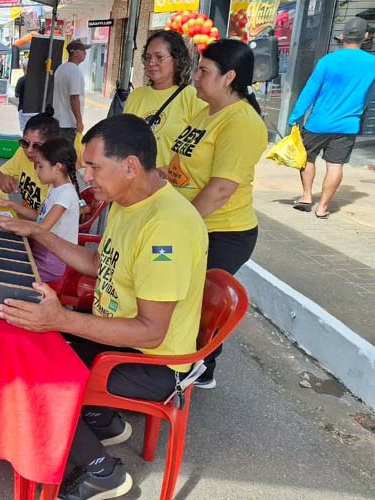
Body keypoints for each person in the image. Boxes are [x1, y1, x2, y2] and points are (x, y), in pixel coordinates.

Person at [0, 114, 208, 500]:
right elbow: (97, 264)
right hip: (119, 335)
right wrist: (39, 231)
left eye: (93, 167)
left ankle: (101, 471)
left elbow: (151, 332)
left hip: (151, 361)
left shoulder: (167, 227)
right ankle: (99, 418)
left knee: (33, 379)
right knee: (28, 343)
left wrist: (61, 318)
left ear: (131, 166)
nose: (85, 176)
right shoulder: (126, 199)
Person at [167, 39, 267, 389]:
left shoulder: (242, 123)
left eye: (204, 71)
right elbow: (184, 165)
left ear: (229, 77)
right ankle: (177, 363)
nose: (195, 77)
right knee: (181, 295)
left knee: (196, 302)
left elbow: (220, 190)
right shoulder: (203, 109)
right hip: (192, 222)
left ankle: (198, 369)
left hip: (222, 231)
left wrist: (180, 226)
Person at [288, 17, 375, 219]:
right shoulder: (372, 63)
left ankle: (307, 196)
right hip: (348, 125)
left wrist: (295, 117)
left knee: (307, 158)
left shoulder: (327, 60)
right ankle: (322, 208)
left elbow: (310, 91)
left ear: (343, 36)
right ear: (366, 36)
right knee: (335, 166)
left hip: (318, 123)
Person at [0, 138, 80, 283]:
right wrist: (11, 205)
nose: (36, 170)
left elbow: (41, 229)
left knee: (4, 273)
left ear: (58, 167)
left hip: (52, 262)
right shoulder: (54, 187)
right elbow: (37, 217)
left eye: (40, 166)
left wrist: (5, 222)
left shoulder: (66, 194)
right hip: (40, 250)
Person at [124, 30, 205, 168]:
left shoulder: (192, 97)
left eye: (159, 57)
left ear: (177, 59)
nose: (151, 63)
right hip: (134, 183)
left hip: (172, 186)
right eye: (148, 57)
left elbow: (202, 152)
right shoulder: (136, 96)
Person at [0, 112, 60, 211]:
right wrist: (5, 179)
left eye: (37, 146)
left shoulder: (57, 170)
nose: (29, 150)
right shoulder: (22, 153)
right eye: (25, 143)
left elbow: (43, 219)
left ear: (52, 146)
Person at [53, 39, 92, 144]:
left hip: (58, 119)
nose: (85, 53)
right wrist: (79, 121)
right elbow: (74, 97)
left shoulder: (61, 68)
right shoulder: (75, 71)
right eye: (83, 50)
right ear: (75, 53)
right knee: (67, 155)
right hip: (68, 123)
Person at [15, 61, 37, 132]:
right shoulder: (37, 80)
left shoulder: (21, 80)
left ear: (24, 68)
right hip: (36, 110)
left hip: (24, 109)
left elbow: (16, 95)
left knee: (25, 131)